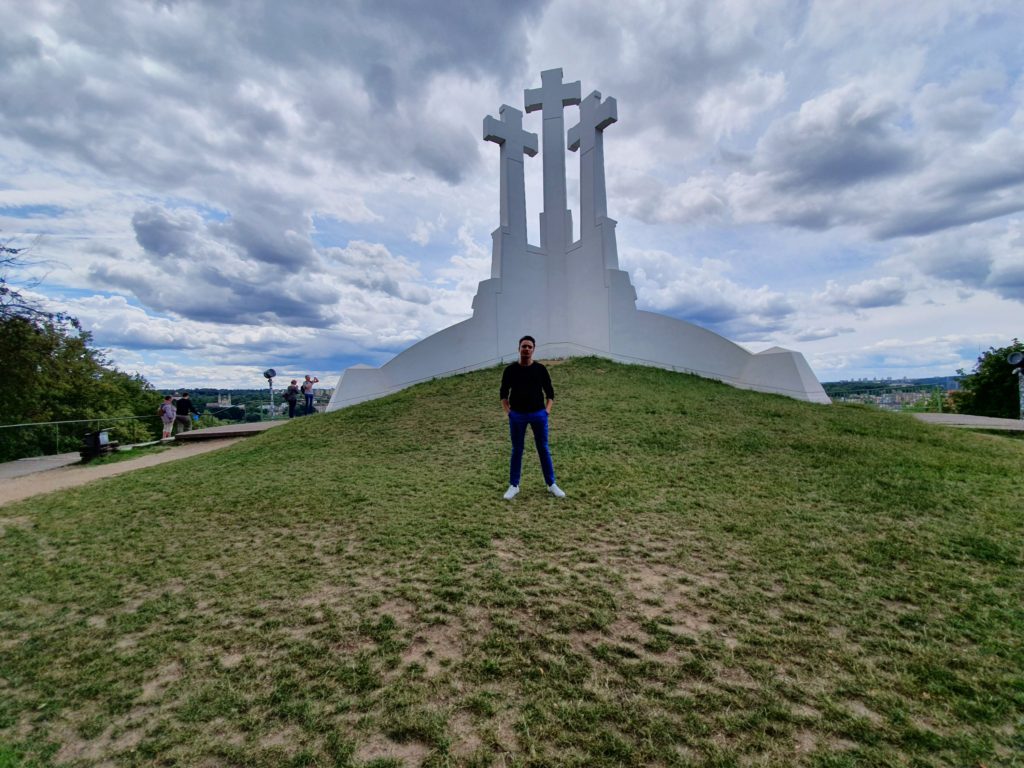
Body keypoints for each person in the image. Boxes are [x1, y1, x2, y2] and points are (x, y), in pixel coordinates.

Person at [500, 335, 565, 499]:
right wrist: (509, 412)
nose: (526, 349)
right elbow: (503, 393)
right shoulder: (510, 370)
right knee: (517, 450)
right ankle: (514, 485)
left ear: (533, 349)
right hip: (517, 416)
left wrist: (547, 411)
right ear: (519, 348)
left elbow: (550, 393)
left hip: (538, 414)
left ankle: (551, 484)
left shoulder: (540, 369)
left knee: (543, 449)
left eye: (529, 347)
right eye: (524, 346)